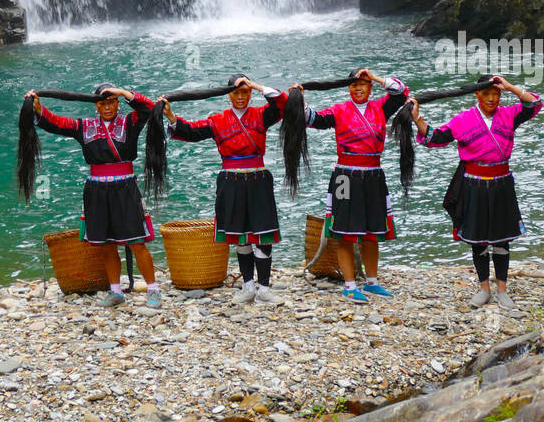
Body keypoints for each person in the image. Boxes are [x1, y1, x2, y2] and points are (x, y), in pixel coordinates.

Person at [409, 74, 542, 309]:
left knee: (502, 238)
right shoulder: (463, 119)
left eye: (496, 94)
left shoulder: (509, 114)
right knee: (478, 239)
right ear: (477, 95)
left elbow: (533, 104)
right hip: (474, 184)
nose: (492, 99)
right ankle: (483, 288)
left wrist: (510, 87)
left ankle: (502, 290)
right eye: (487, 94)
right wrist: (416, 117)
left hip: (501, 183)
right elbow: (435, 138)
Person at [26, 84, 160, 307]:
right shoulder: (83, 126)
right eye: (102, 102)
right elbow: (58, 123)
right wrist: (39, 108)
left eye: (112, 101)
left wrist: (125, 93)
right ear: (95, 105)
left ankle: (153, 290)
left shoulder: (130, 122)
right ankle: (116, 291)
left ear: (118, 102)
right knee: (107, 243)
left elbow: (150, 108)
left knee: (137, 242)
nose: (107, 107)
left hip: (125, 187)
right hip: (96, 189)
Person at [161, 75, 287, 305]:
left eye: (245, 92)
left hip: (258, 178)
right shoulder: (217, 120)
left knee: (262, 235)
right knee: (240, 237)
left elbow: (282, 103)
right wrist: (170, 115)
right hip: (230, 181)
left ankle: (265, 289)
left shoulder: (261, 115)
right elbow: (190, 132)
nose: (240, 97)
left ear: (250, 93)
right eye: (235, 93)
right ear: (228, 94)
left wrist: (256, 85)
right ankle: (248, 287)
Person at [298, 68, 408, 303]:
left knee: (372, 233)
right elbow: (314, 119)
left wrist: (376, 77)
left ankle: (372, 282)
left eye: (363, 84)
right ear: (348, 88)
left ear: (370, 87)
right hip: (344, 178)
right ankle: (349, 286)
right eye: (353, 84)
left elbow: (401, 92)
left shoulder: (381, 107)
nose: (358, 88)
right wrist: (300, 98)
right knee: (344, 232)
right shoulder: (338, 110)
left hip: (374, 176)